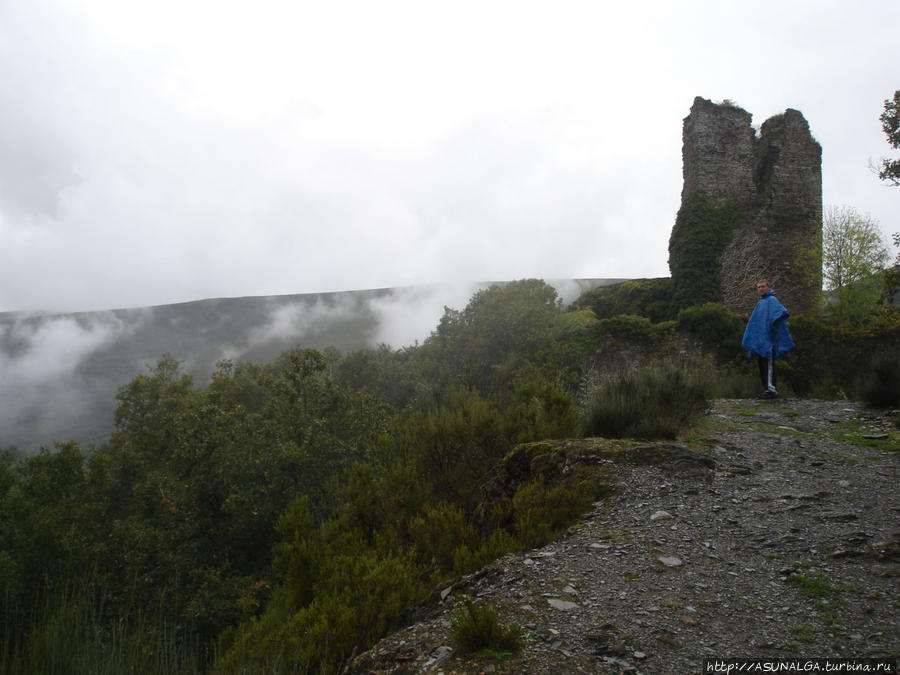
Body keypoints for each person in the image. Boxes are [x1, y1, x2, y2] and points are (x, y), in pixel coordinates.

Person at [741, 279, 795, 399]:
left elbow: (782, 313)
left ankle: (772, 390)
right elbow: (756, 322)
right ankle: (767, 389)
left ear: (769, 287)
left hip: (769, 342)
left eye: (763, 286)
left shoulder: (772, 300)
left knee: (769, 365)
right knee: (762, 365)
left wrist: (772, 324)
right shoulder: (761, 303)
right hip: (762, 341)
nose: (761, 289)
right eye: (759, 287)